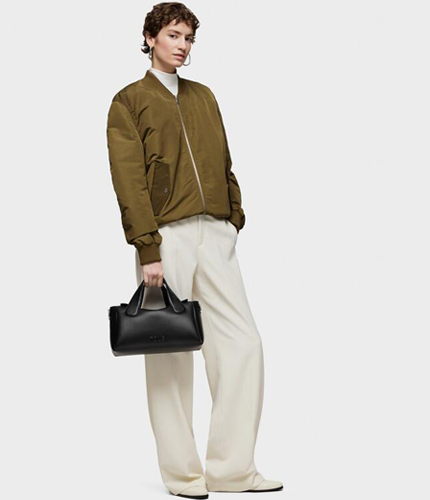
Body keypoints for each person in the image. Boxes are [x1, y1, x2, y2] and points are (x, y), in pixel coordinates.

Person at [106, 3, 283, 498]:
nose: (182, 45)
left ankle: (232, 470)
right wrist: (148, 246)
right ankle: (184, 475)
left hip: (215, 232)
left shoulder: (204, 96)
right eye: (173, 35)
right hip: (166, 238)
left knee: (243, 345)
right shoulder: (129, 101)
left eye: (188, 38)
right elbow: (129, 180)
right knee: (169, 354)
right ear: (150, 37)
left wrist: (233, 216)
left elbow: (224, 161)